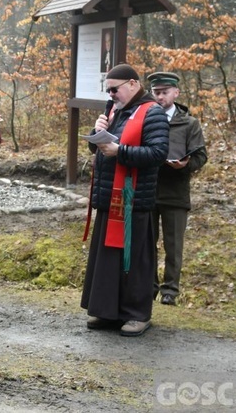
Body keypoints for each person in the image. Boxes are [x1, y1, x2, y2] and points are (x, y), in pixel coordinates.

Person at [81, 63, 169, 337]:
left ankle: (136, 315)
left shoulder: (152, 112)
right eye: (108, 91)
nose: (111, 96)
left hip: (134, 198)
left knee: (134, 259)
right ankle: (108, 312)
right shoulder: (116, 109)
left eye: (114, 89)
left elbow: (157, 154)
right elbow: (102, 147)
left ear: (132, 84)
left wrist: (119, 150)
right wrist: (97, 134)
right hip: (111, 196)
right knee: (108, 258)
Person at [147, 72, 208, 306]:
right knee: (147, 243)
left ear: (176, 93)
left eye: (164, 92)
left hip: (176, 192)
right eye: (156, 92)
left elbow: (201, 155)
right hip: (149, 190)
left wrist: (185, 165)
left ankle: (170, 290)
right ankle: (149, 286)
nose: (160, 97)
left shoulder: (189, 123)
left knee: (174, 245)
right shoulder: (147, 118)